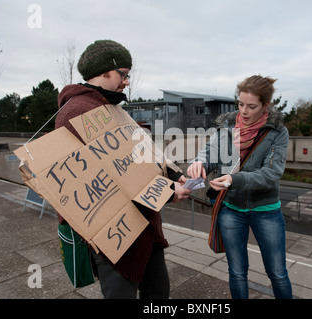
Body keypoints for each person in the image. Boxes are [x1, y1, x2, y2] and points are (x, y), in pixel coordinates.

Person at [55, 39, 191, 299]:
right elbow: (111, 176)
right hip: (115, 238)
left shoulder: (110, 107)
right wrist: (167, 192)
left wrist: (173, 173)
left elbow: (141, 152)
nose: (127, 81)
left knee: (158, 293)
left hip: (144, 228)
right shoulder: (78, 111)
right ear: (105, 70)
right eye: (123, 74)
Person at [187, 75, 292, 299]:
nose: (243, 111)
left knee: (278, 273)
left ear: (265, 106)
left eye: (251, 106)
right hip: (231, 209)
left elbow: (271, 174)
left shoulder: (277, 132)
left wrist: (235, 180)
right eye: (240, 104)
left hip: (266, 211)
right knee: (236, 273)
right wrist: (199, 162)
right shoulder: (226, 126)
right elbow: (209, 152)